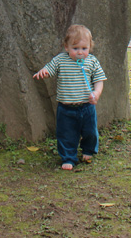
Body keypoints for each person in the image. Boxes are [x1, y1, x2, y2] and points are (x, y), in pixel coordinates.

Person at [33, 24, 106, 170]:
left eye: (84, 48)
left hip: (87, 106)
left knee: (90, 131)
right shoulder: (61, 60)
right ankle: (68, 157)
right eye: (75, 48)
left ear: (90, 47)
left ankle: (88, 150)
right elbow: (50, 67)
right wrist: (44, 71)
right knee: (65, 134)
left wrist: (97, 93)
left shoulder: (91, 61)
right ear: (66, 47)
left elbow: (99, 80)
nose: (80, 52)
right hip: (66, 108)